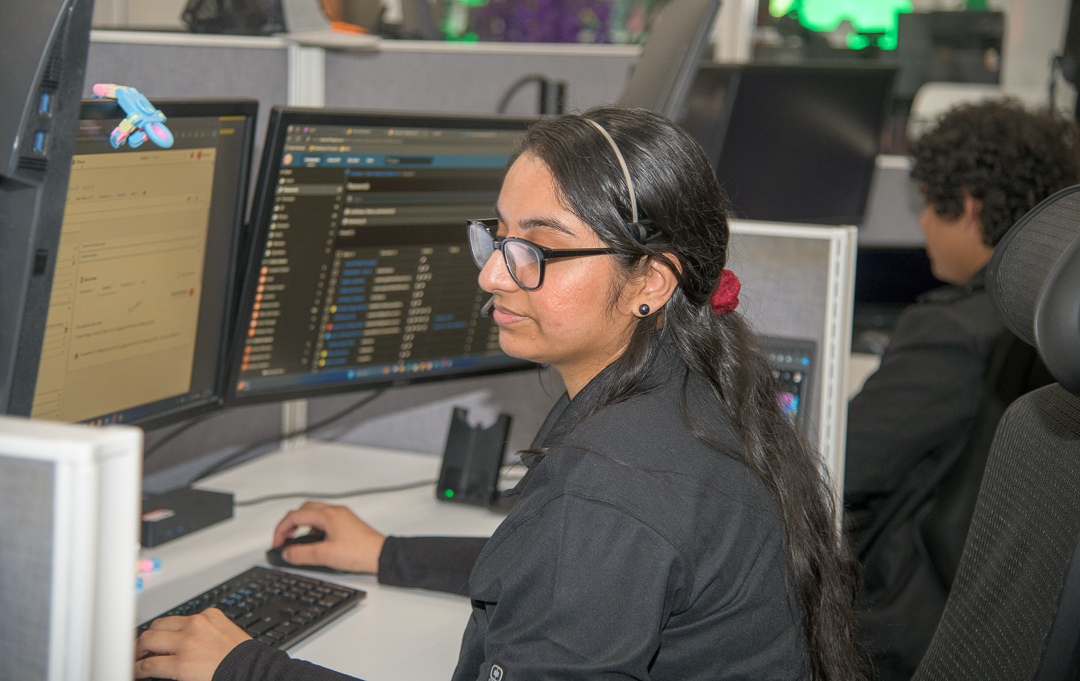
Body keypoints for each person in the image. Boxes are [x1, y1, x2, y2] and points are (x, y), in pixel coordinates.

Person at [135, 106, 863, 681]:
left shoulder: (615, 484)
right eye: (498, 235)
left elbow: (588, 541)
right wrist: (388, 554)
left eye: (538, 249)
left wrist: (246, 668)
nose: (492, 275)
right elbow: (565, 573)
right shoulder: (682, 391)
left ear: (651, 279)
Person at [844, 98, 1080, 680]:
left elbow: (842, 463)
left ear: (971, 207)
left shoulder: (950, 330)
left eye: (929, 204)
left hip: (903, 630)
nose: (922, 222)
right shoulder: (1047, 326)